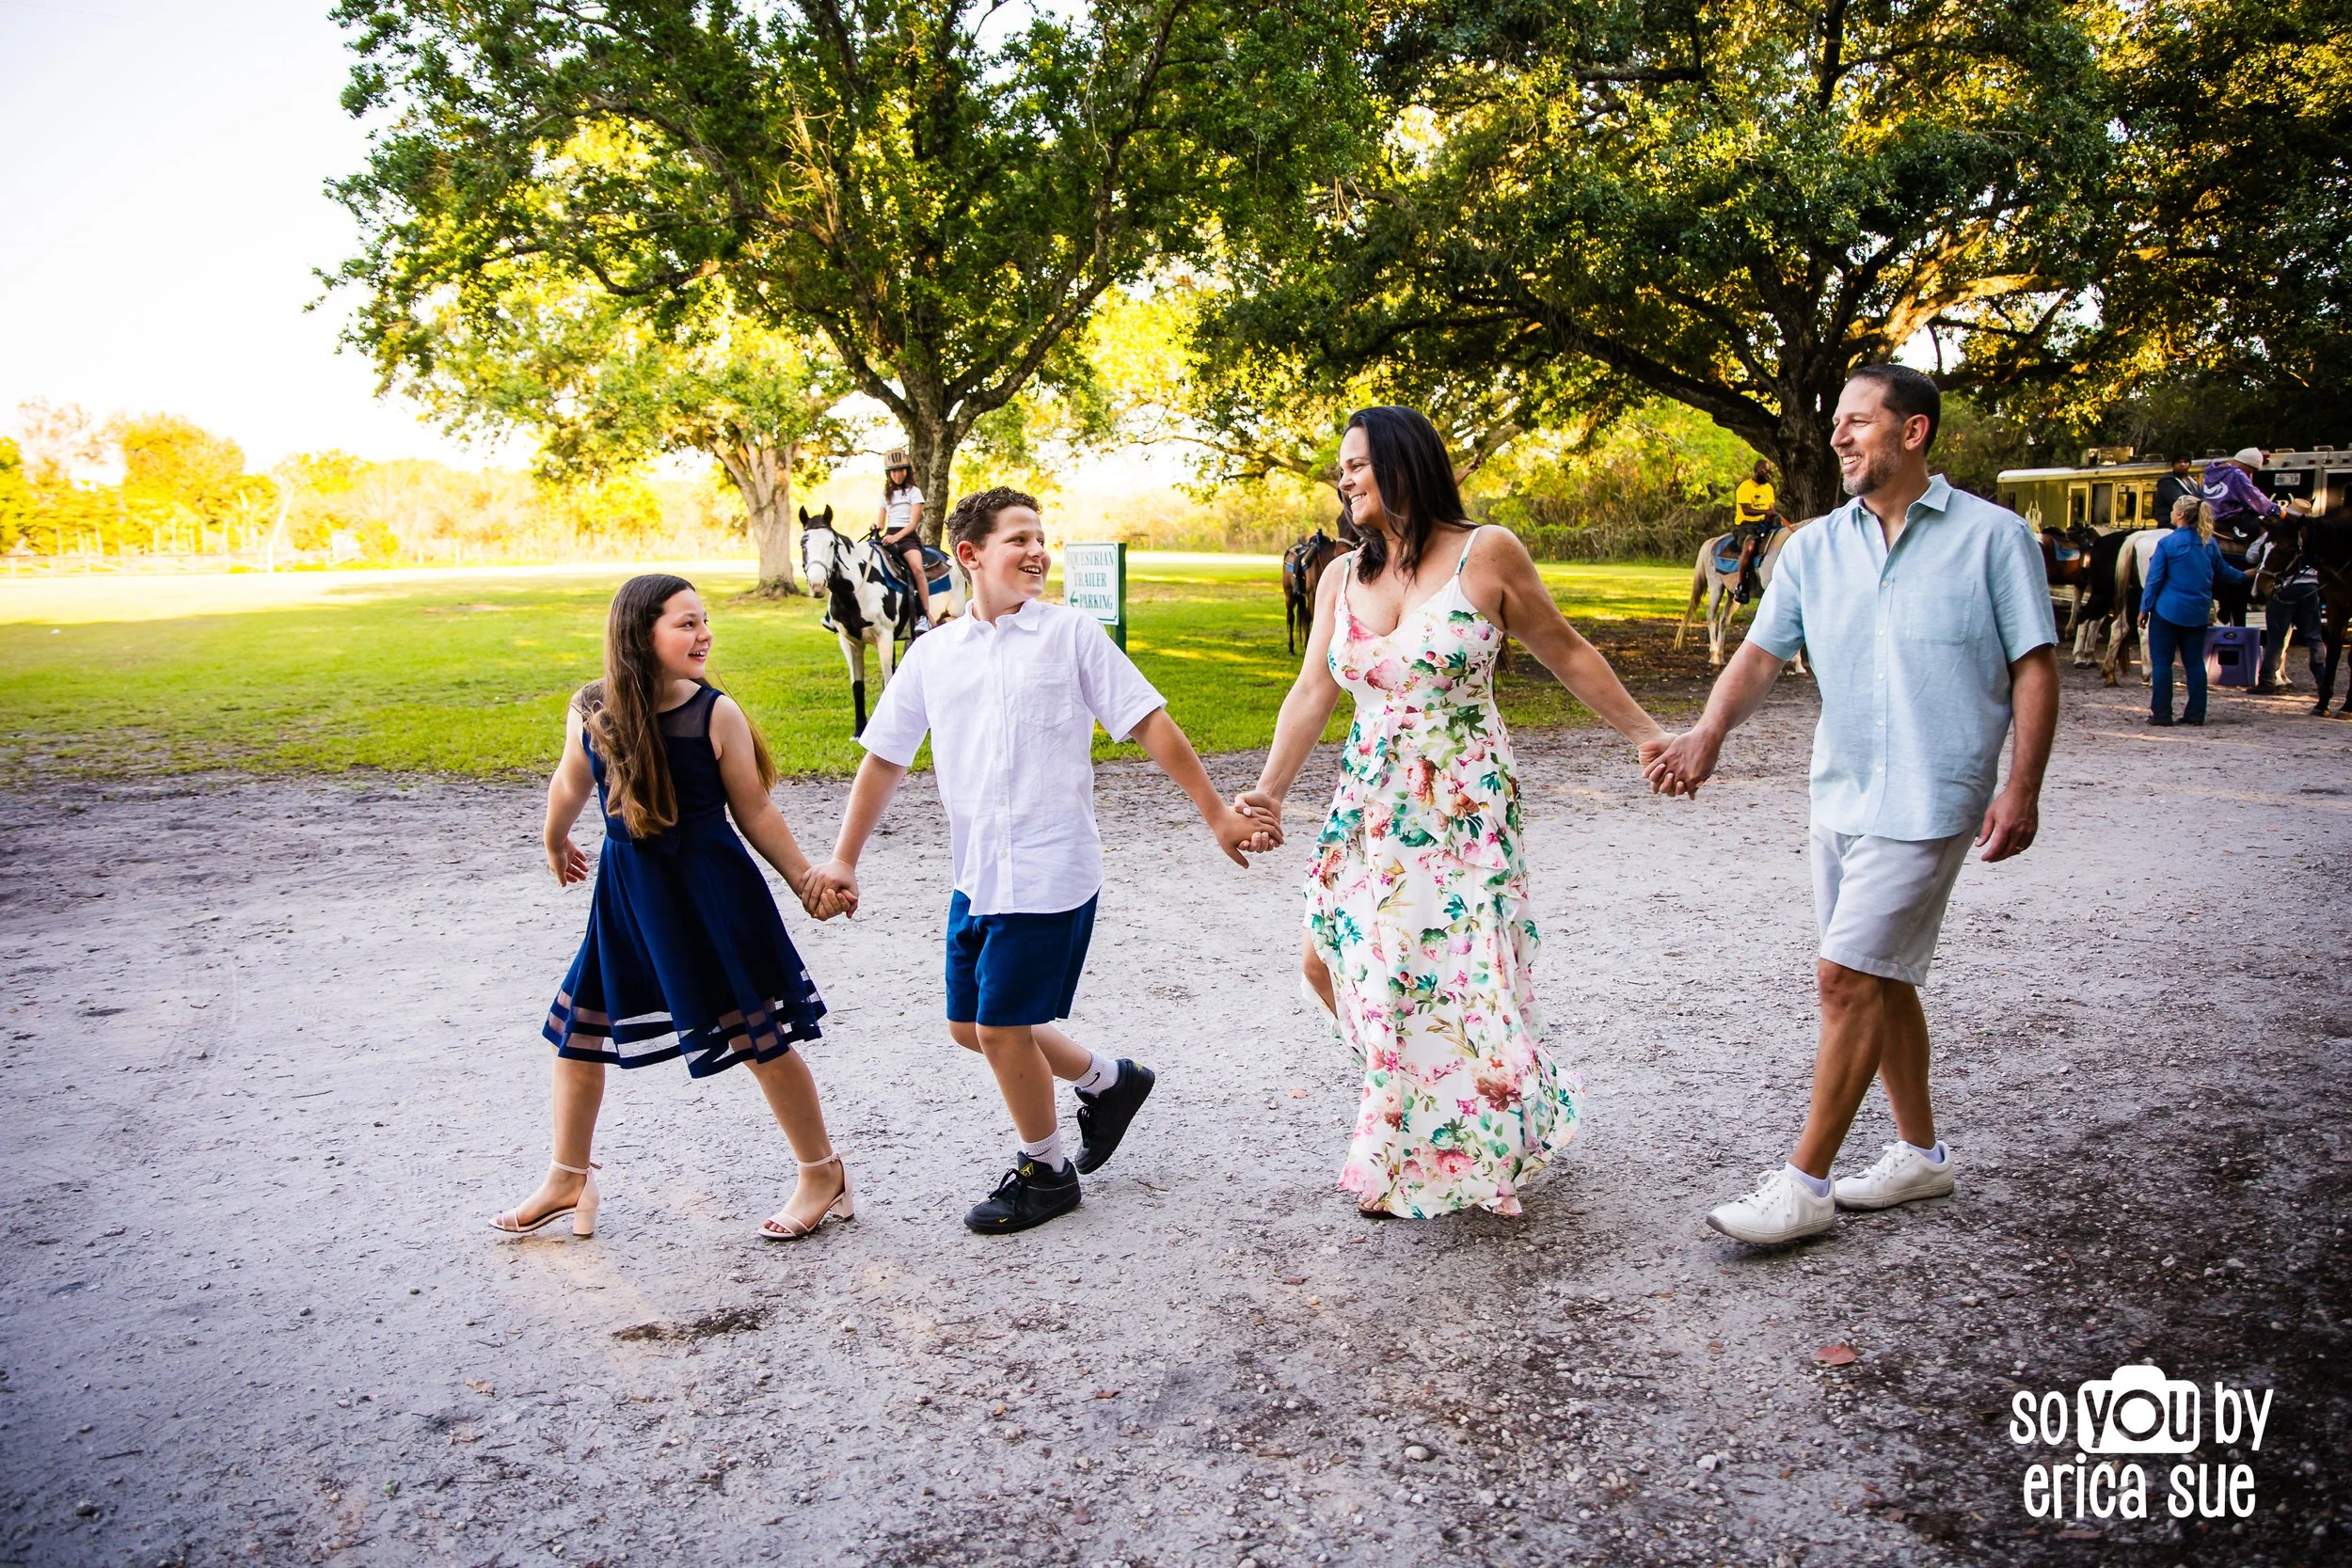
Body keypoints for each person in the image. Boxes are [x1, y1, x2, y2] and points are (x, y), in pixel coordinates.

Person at [1646, 364, 2058, 1247]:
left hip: (1934, 795)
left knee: (1844, 977)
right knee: (1883, 974)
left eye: (1857, 422)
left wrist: (2021, 785)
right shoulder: (1812, 548)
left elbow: (2034, 663)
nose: (1837, 436)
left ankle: (1805, 1184)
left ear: (1912, 433)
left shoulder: (1994, 538)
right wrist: (1707, 735)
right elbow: (1758, 655)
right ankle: (1920, 1154)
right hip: (1841, 794)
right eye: (1836, 422)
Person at [1238, 406, 1675, 1219]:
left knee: (1441, 974)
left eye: (1358, 463)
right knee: (1325, 957)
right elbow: (1312, 692)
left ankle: (1412, 1147)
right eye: (1342, 467)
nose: (1345, 478)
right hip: (1370, 798)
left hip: (1463, 802)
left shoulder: (1487, 553)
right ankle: (1452, 1110)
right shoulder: (1340, 575)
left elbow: (1568, 649)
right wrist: (1270, 789)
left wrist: (1647, 734)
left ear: (1403, 463)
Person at [803, 487, 1274, 1234]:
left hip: (1051, 869)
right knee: (972, 1024)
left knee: (1001, 1028)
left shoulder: (1071, 635)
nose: (1037, 551)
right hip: (978, 873)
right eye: (1018, 538)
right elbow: (885, 760)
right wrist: (844, 856)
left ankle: (1046, 1171)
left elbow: (1150, 721)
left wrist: (1217, 811)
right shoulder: (934, 654)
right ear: (970, 555)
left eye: (1041, 537)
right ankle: (1110, 1082)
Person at [496, 574, 856, 1244]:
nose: (703, 634)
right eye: (685, 623)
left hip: (710, 898)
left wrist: (806, 877)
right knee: (579, 1031)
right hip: (629, 899)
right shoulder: (592, 710)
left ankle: (822, 1171)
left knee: (757, 1036)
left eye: (703, 620)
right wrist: (554, 838)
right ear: (640, 634)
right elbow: (569, 781)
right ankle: (568, 1174)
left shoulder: (714, 713)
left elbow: (754, 810)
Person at [2140, 501, 2249, 726]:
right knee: (2195, 664)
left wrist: (2144, 608)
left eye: (2172, 509)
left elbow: (2154, 580)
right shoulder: (2209, 544)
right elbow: (2225, 573)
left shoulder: (2167, 543)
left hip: (2167, 611)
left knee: (2162, 664)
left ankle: (2161, 714)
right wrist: (2246, 575)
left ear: (2180, 515)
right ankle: (2196, 714)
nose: (2170, 513)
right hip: (2198, 612)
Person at [2250, 518, 2325, 693]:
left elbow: (2251, 554)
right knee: (2314, 636)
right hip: (2310, 587)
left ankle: (2267, 681)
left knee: (2275, 639)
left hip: (2285, 587)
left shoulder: (2276, 534)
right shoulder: (2314, 535)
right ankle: (2323, 680)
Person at [878, 449, 933, 631]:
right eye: (893, 471)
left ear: (907, 471)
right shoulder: (885, 495)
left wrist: (896, 538)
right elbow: (880, 522)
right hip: (889, 536)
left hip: (907, 537)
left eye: (901, 470)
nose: (897, 474)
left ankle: (924, 614)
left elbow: (913, 523)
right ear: (889, 474)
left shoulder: (914, 492)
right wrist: (875, 528)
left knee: (917, 568)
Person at [1732, 459, 1782, 604]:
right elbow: (1746, 509)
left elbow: (1771, 508)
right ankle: (1741, 585)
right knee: (1750, 546)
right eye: (1764, 471)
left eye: (1769, 472)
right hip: (1747, 525)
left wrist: (1772, 514)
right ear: (1756, 470)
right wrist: (1766, 511)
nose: (1767, 474)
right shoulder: (1745, 487)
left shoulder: (1768, 488)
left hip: (1766, 525)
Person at [2153, 455, 2201, 531]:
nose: (2182, 464)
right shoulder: (2167, 481)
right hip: (2170, 524)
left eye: (2185, 462)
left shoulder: (2192, 481)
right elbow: (2178, 500)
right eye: (2179, 462)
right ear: (2173, 465)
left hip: (2188, 522)